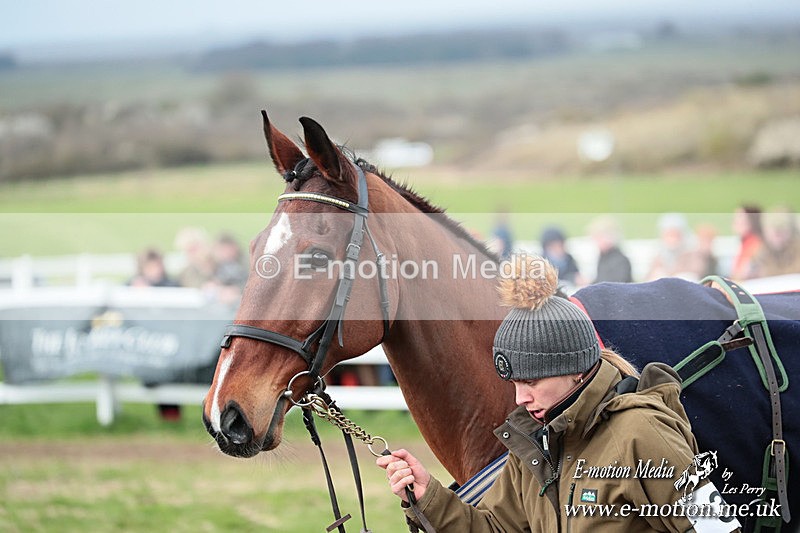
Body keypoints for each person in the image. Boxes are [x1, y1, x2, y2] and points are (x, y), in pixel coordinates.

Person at [377, 256, 737, 532]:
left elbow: (714, 528)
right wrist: (430, 496)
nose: (520, 399)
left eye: (531, 382)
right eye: (515, 384)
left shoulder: (642, 433)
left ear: (575, 368)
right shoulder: (534, 442)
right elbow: (498, 527)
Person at [751, 207, 800, 278]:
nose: (777, 236)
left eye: (782, 230)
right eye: (773, 231)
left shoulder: (797, 249)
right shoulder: (761, 251)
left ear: (791, 231)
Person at [588, 215, 632, 283]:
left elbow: (614, 285)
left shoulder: (620, 260)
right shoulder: (603, 257)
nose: (595, 241)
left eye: (598, 237)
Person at [729, 205, 763, 281]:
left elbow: (741, 275)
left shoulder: (754, 245)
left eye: (740, 218)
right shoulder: (746, 243)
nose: (735, 221)